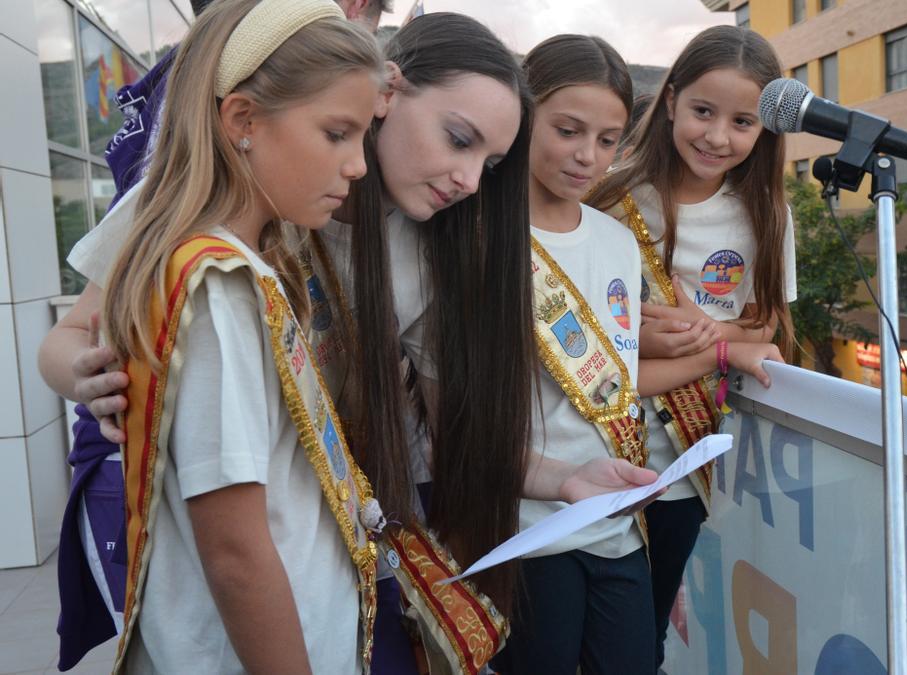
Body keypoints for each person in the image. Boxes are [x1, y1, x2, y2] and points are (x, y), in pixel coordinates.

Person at [47, 11, 657, 673]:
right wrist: (88, 376)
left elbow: (448, 431)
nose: (469, 179)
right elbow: (70, 340)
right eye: (458, 139)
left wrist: (564, 477)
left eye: (491, 162)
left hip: (328, 547)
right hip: (231, 550)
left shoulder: (429, 251)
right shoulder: (215, 224)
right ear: (386, 96)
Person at [43, 0, 394, 669]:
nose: (357, 166)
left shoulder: (242, 261)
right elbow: (235, 551)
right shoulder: (219, 285)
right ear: (243, 122)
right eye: (337, 134)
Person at [492, 33, 778, 675]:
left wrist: (713, 346)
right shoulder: (495, 230)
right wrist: (711, 347)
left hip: (633, 500)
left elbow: (620, 373)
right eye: (567, 130)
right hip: (529, 515)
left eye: (606, 139)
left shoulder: (620, 240)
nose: (585, 155)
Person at [587, 24, 794, 668]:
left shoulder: (764, 211)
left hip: (685, 465)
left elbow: (767, 328)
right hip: (593, 447)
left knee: (641, 634)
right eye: (703, 111)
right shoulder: (612, 197)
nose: (717, 137)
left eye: (742, 122)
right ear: (670, 100)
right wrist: (652, 332)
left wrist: (700, 328)